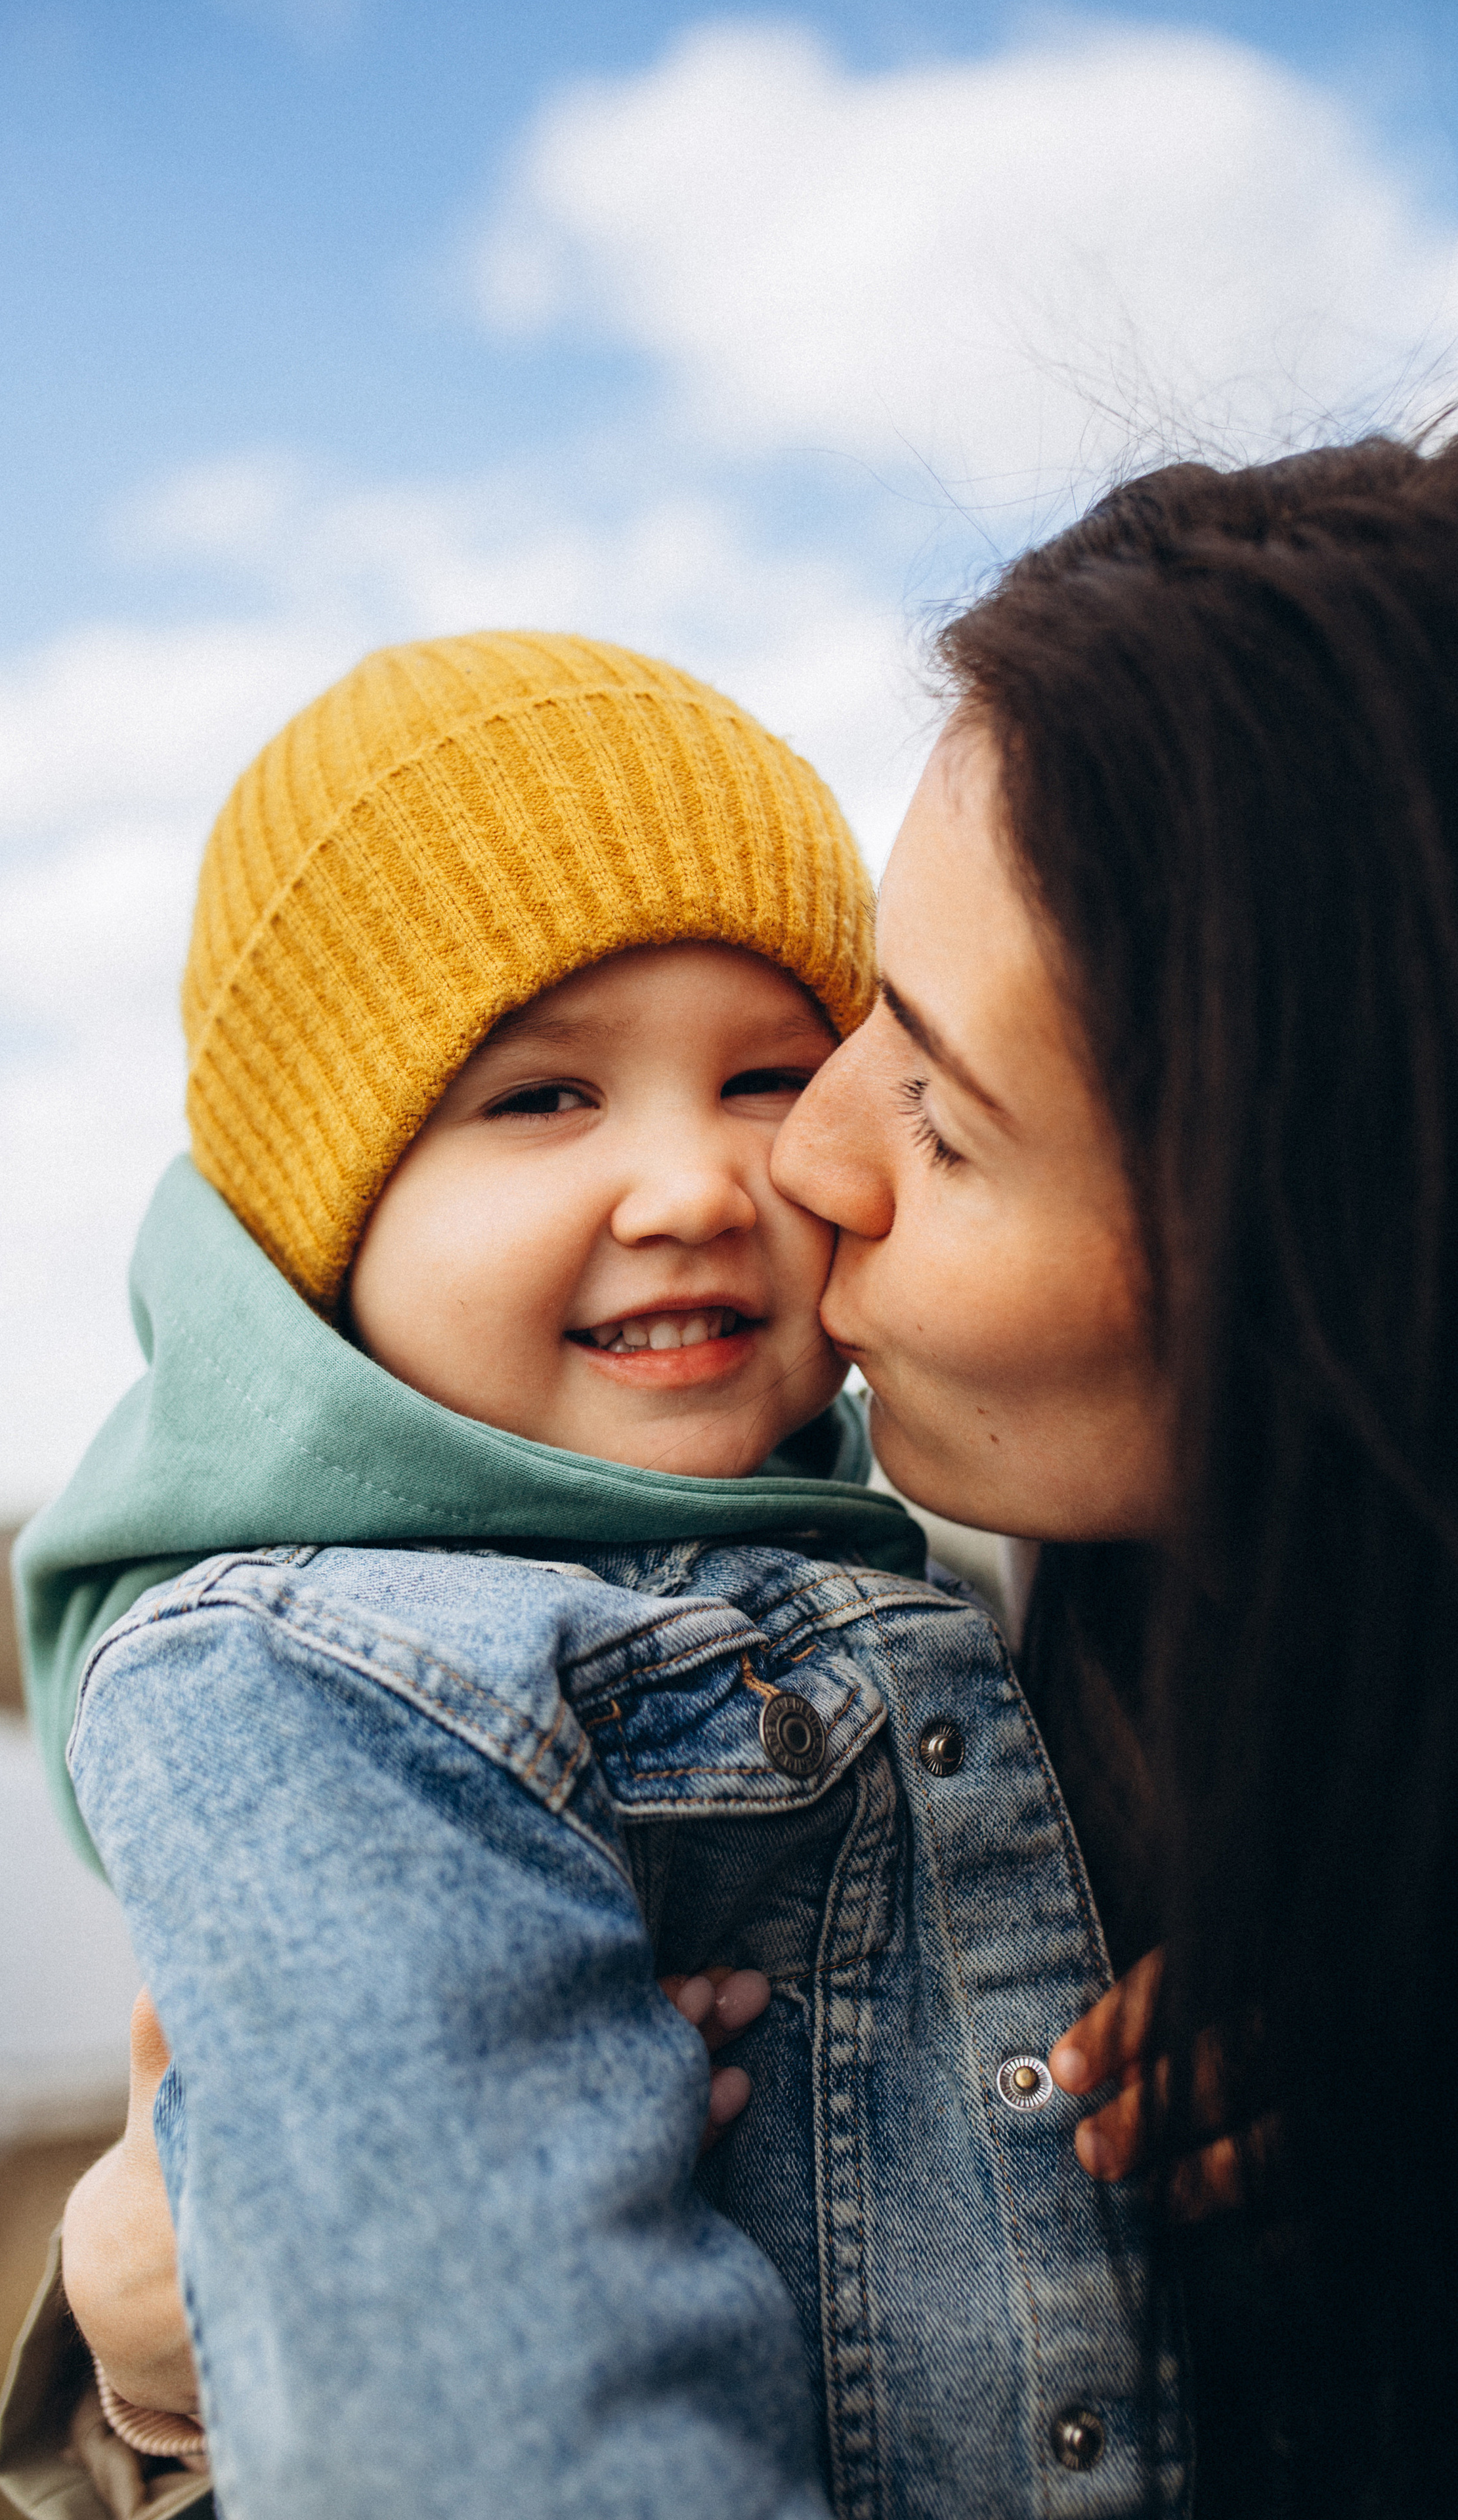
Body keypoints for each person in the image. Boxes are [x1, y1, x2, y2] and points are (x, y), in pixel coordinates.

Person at [0, 631, 1184, 2520]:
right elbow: (502, 2420)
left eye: (768, 1077)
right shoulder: (314, 1682)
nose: (697, 1185)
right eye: (543, 1099)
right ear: (331, 1221)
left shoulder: (944, 1556)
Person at [773, 432, 1458, 2516]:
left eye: (948, 1118)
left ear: (1336, 1266)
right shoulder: (1050, 1698)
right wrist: (155, 2375)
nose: (805, 1155)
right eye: (858, 1017)